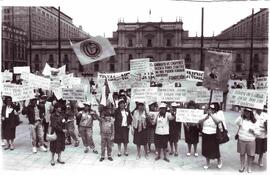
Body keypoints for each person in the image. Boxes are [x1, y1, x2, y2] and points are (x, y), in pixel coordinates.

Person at [199, 103, 226, 169]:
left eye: (212, 109)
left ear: (214, 110)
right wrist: (205, 118)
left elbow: (218, 121)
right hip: (205, 134)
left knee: (215, 149)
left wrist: (211, 115)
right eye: (209, 109)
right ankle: (207, 163)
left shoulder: (216, 115)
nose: (210, 110)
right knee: (206, 149)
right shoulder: (204, 115)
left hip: (213, 134)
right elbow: (199, 122)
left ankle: (219, 160)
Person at [235, 108, 259, 173]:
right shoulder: (242, 119)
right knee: (242, 154)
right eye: (245, 112)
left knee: (250, 155)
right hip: (242, 139)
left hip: (251, 140)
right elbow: (236, 122)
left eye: (248, 112)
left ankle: (249, 167)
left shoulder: (255, 121)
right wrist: (241, 115)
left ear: (251, 113)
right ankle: (242, 166)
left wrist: (253, 131)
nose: (246, 113)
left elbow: (258, 132)